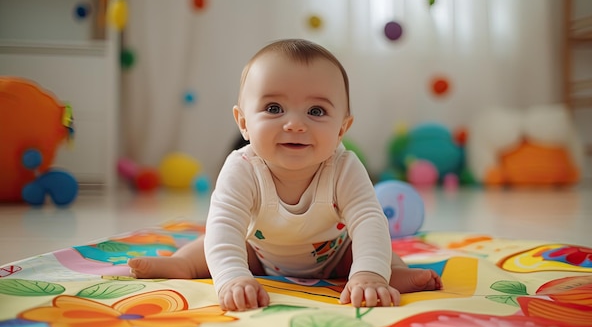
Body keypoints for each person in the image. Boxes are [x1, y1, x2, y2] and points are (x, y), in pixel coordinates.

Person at [128, 39, 442, 312]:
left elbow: (369, 220)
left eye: (316, 111)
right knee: (213, 241)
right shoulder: (243, 168)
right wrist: (233, 279)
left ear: (342, 129)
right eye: (274, 108)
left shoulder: (344, 166)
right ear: (244, 122)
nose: (294, 124)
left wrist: (370, 274)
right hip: (260, 255)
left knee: (372, 252)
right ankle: (182, 264)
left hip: (335, 255)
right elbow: (225, 225)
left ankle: (390, 274)